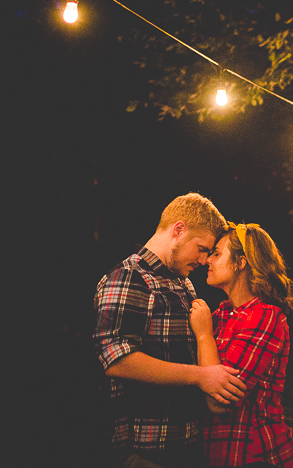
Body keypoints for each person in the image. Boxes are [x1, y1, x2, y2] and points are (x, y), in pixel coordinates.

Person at [94, 193, 248, 468]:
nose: (204, 260)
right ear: (179, 230)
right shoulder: (130, 276)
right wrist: (200, 377)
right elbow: (117, 361)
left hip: (186, 443)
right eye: (201, 248)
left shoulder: (182, 283)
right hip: (144, 450)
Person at [189, 222, 293, 467]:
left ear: (241, 263)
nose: (207, 260)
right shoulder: (223, 314)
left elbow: (219, 402)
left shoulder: (265, 316)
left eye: (217, 253)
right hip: (219, 455)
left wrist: (204, 336)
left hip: (255, 455)